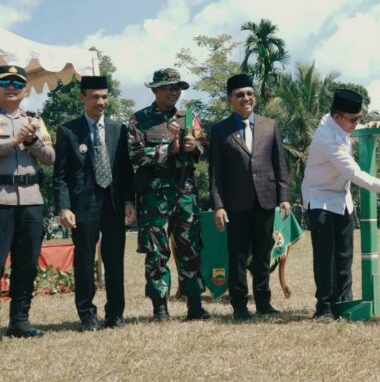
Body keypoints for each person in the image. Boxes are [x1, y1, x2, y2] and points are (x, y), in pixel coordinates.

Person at [301, 89, 380, 321]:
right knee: (325, 256)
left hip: (341, 199)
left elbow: (349, 132)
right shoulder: (326, 137)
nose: (355, 123)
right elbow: (354, 173)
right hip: (319, 199)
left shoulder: (339, 125)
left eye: (359, 118)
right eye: (353, 119)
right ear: (337, 117)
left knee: (344, 254)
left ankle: (344, 301)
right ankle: (325, 308)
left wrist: (367, 126)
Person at [52, 76, 135, 331]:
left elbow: (125, 170)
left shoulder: (118, 129)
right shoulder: (68, 131)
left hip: (113, 204)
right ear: (82, 97)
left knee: (114, 259)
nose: (101, 102)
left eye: (104, 96)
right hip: (83, 206)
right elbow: (60, 175)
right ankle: (87, 314)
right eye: (95, 96)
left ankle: (115, 314)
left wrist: (129, 201)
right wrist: (64, 207)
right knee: (85, 260)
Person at [128, 68, 210, 321]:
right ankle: (160, 307)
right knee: (156, 251)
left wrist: (193, 146)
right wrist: (169, 149)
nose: (174, 92)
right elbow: (135, 155)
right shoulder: (139, 120)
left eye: (178, 87)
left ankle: (195, 305)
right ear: (154, 90)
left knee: (190, 247)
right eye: (168, 87)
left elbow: (203, 146)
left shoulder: (189, 117)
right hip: (154, 195)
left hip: (185, 193)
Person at [209, 74, 291, 320]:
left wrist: (284, 196)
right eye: (240, 95)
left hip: (265, 200)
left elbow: (280, 165)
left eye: (250, 94)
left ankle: (264, 302)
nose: (246, 98)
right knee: (238, 256)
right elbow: (216, 173)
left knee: (263, 254)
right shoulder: (220, 130)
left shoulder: (270, 125)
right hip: (236, 204)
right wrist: (218, 205)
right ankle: (240, 306)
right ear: (230, 100)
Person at [0, 65, 55, 338]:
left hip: (32, 200)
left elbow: (50, 157)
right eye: (5, 81)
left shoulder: (34, 119)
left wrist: (31, 139)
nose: (12, 86)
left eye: (18, 82)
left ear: (24, 89)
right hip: (1, 200)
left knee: (26, 263)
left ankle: (19, 322)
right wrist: (13, 142)